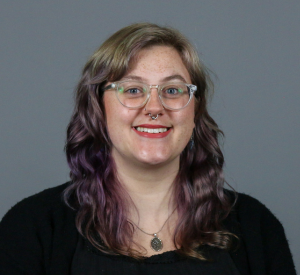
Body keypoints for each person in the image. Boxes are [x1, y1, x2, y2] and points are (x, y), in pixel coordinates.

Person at [0, 23, 296, 275]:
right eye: (132, 90)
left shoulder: (256, 226)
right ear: (98, 109)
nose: (154, 107)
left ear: (195, 109)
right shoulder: (33, 227)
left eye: (172, 90)